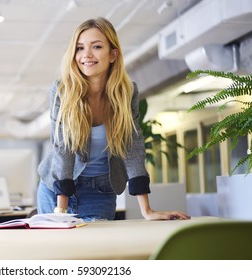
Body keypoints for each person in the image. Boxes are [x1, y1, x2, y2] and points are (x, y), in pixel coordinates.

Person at [37, 17, 190, 221]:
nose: (86, 55)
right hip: (55, 192)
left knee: (97, 251)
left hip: (100, 192)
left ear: (113, 54)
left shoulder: (126, 93)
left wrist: (147, 210)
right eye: (80, 48)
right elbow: (64, 148)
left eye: (97, 46)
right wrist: (61, 212)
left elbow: (132, 147)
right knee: (58, 251)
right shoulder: (63, 91)